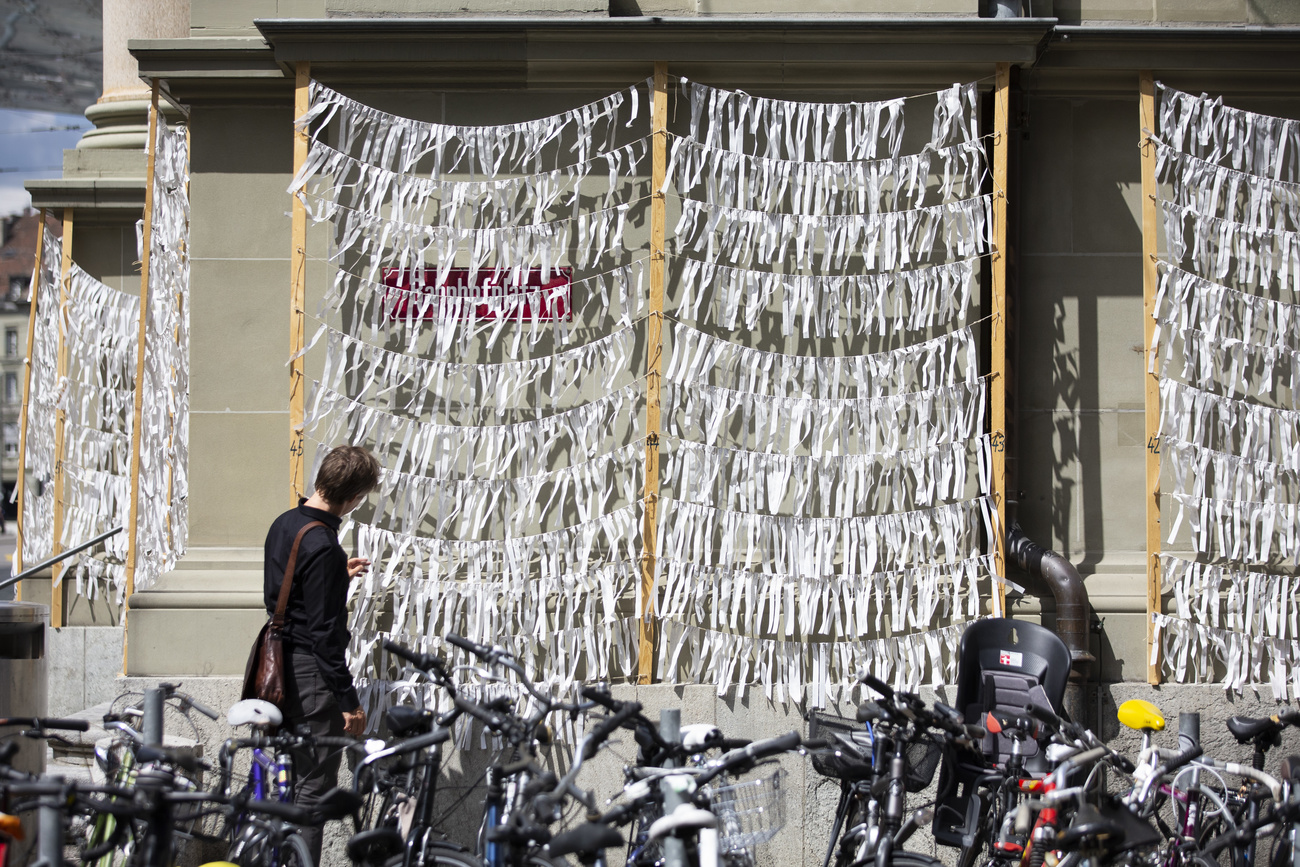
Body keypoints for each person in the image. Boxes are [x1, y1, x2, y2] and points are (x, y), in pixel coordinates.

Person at [263, 444, 380, 863]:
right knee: (312, 792)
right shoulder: (324, 545)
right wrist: (348, 702)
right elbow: (325, 634)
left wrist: (335, 578)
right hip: (310, 677)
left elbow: (285, 595)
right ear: (354, 498)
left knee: (287, 782)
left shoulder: (285, 523)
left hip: (275, 667)